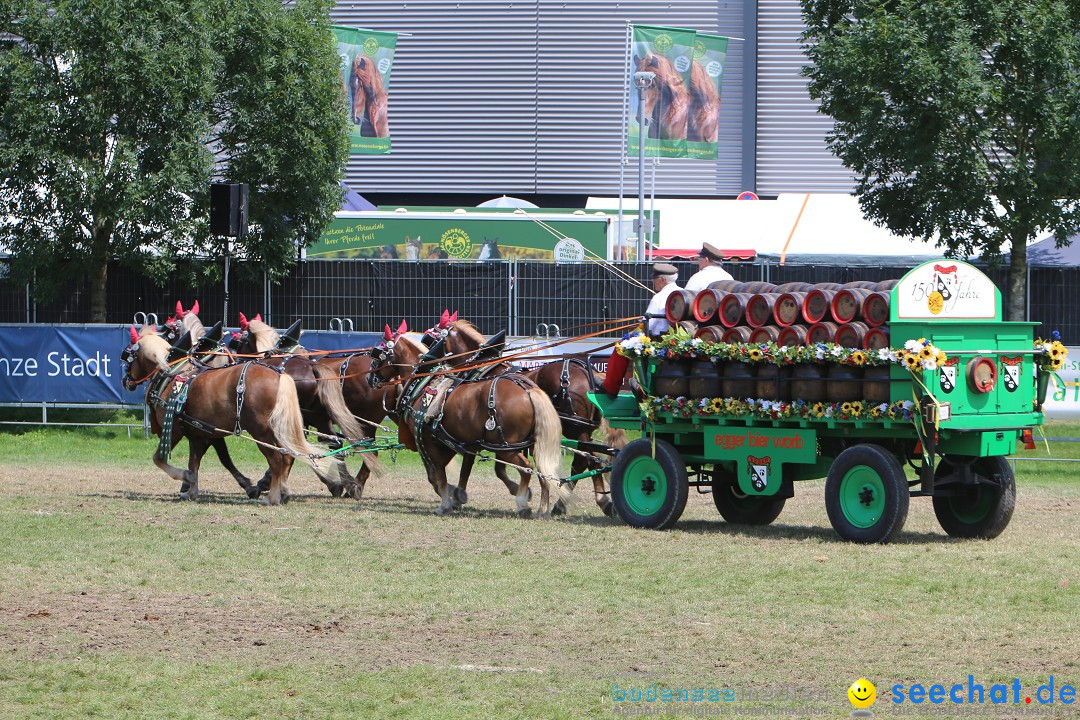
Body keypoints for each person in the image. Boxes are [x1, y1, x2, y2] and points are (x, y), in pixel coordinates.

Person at [602, 263, 681, 396]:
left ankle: (610, 387)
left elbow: (646, 325)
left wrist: (630, 336)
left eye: (654, 279)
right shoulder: (681, 293)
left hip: (656, 341)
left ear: (663, 280)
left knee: (620, 348)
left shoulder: (659, 298)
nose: (652, 282)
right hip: (674, 341)